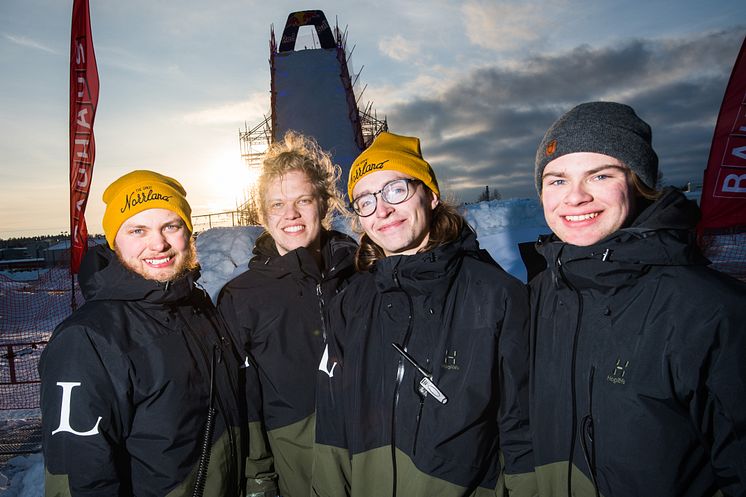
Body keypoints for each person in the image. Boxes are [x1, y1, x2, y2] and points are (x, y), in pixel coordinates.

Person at [529, 101, 746, 497]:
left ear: (637, 182)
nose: (574, 198)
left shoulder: (711, 310)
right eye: (557, 180)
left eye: (599, 175)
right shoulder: (543, 292)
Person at [313, 131, 535, 497]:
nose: (381, 210)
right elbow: (333, 421)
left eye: (395, 190)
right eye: (365, 200)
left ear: (431, 195)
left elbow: (521, 429)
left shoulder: (497, 296)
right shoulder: (351, 301)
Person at [39, 170, 276, 497]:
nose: (158, 243)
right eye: (138, 230)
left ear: (188, 232)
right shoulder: (89, 338)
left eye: (171, 225)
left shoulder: (200, 309)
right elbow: (78, 477)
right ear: (114, 241)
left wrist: (257, 481)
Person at [217, 131, 357, 497]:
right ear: (263, 214)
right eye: (277, 204)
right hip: (300, 469)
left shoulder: (363, 275)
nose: (291, 214)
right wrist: (259, 479)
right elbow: (244, 402)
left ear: (324, 204)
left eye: (303, 200)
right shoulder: (241, 297)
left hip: (375, 459)